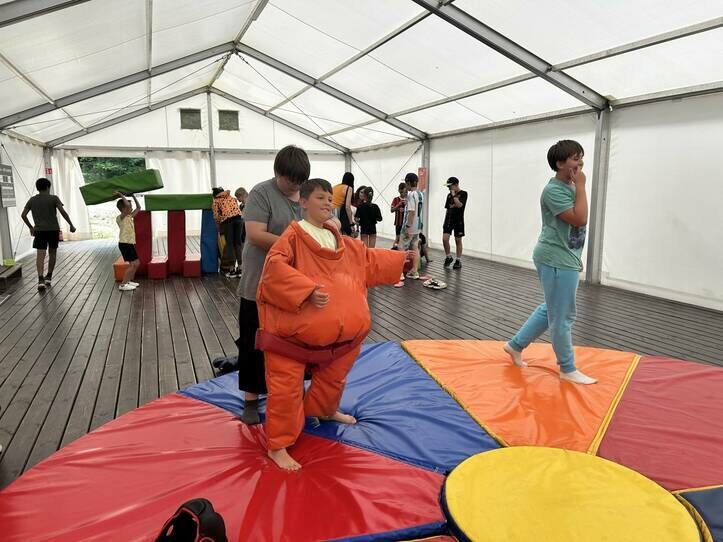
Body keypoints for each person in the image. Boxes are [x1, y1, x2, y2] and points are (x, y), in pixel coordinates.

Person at [257, 178, 409, 470]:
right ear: (303, 202)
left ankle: (323, 410)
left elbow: (367, 260)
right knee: (286, 390)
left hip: (342, 337)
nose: (327, 203)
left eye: (330, 198)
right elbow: (273, 272)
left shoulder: (340, 240)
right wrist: (306, 290)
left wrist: (400, 260)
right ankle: (278, 445)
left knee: (333, 378)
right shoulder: (292, 238)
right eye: (320, 198)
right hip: (291, 338)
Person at [504, 140, 597, 385]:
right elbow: (580, 219)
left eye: (581, 157)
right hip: (554, 258)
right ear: (560, 163)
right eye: (575, 158)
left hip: (563, 257)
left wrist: (575, 256)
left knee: (551, 309)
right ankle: (567, 368)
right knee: (563, 316)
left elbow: (573, 230)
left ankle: (515, 345)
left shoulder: (570, 187)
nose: (581, 162)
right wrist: (581, 185)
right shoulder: (554, 191)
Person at [236, 145, 310, 424]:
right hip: (260, 282)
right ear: (278, 173)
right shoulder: (261, 193)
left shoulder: (306, 195)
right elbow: (255, 234)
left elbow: (325, 221)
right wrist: (297, 244)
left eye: (300, 181)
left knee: (294, 342)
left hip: (294, 287)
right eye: (291, 181)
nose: (296, 187)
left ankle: (295, 394)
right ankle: (251, 398)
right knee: (253, 340)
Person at [21, 177, 76, 292]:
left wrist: (31, 227)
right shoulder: (54, 198)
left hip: (39, 231)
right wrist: (71, 225)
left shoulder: (32, 200)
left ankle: (40, 280)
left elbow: (23, 215)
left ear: (38, 188)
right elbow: (63, 212)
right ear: (47, 187)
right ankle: (49, 277)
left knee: (40, 255)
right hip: (53, 230)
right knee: (52, 253)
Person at [212, 187, 244, 277]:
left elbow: (216, 216)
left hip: (228, 222)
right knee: (238, 243)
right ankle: (240, 268)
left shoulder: (216, 201)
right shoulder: (232, 198)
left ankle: (231, 269)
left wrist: (219, 227)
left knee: (230, 245)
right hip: (239, 220)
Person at [113, 191, 141, 291]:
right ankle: (123, 285)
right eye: (129, 207)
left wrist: (133, 196)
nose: (131, 208)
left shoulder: (129, 216)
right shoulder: (120, 217)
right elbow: (127, 205)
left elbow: (139, 208)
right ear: (124, 209)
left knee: (136, 263)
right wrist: (120, 194)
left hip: (129, 243)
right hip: (124, 244)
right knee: (133, 264)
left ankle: (128, 281)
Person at [401, 172, 423, 280]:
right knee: (415, 248)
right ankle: (414, 271)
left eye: (406, 183)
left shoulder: (411, 195)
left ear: (408, 183)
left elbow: (411, 212)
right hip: (418, 226)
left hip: (410, 226)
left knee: (402, 248)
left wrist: (408, 226)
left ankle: (399, 273)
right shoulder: (420, 194)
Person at [442, 177, 468, 270]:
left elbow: (459, 205)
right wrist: (445, 221)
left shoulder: (463, 194)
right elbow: (448, 207)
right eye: (448, 186)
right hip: (449, 219)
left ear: (456, 185)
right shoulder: (449, 195)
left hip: (458, 220)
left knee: (458, 240)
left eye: (450, 186)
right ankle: (448, 257)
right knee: (445, 239)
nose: (448, 188)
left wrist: (454, 195)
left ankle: (458, 260)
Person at [331, 172, 355, 237]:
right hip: (337, 211)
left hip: (329, 211)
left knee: (333, 233)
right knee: (340, 234)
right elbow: (347, 206)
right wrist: (351, 224)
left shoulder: (335, 186)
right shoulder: (349, 188)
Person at [390, 182, 407, 250]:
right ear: (399, 191)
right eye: (402, 192)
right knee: (398, 238)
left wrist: (406, 207)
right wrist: (398, 205)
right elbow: (392, 210)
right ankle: (393, 251)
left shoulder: (408, 199)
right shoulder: (396, 199)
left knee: (405, 239)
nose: (404, 194)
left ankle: (402, 252)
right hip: (398, 222)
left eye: (405, 192)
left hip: (406, 223)